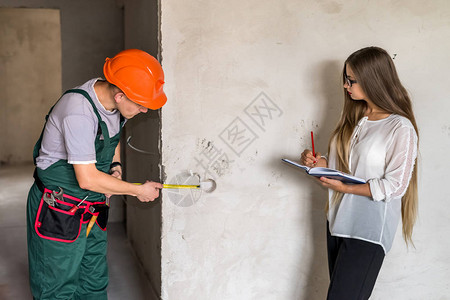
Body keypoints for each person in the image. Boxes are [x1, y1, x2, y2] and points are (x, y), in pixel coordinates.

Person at [27, 49, 166, 299]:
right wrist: (136, 190)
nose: (145, 111)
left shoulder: (115, 105)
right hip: (58, 209)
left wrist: (116, 170)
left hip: (91, 207)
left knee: (93, 281)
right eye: (142, 105)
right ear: (121, 94)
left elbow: (112, 139)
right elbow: (88, 179)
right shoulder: (79, 111)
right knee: (57, 287)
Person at [300, 46, 419, 299]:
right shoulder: (355, 118)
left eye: (350, 79)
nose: (345, 85)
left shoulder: (400, 127)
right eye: (345, 79)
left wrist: (344, 188)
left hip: (367, 230)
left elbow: (395, 186)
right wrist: (317, 162)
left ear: (373, 79)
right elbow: (340, 169)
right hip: (337, 223)